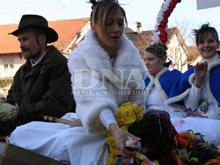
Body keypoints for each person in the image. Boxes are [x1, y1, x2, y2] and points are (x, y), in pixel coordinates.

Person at [8, 1, 177, 164]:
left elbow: (137, 101)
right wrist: (111, 127)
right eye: (108, 23)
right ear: (94, 27)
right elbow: (96, 100)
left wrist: (122, 126)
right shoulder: (80, 57)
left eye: (119, 23)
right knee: (24, 133)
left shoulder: (133, 57)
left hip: (122, 126)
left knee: (74, 144)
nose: (116, 29)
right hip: (95, 123)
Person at [0, 14, 75, 136]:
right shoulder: (22, 72)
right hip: (22, 131)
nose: (21, 45)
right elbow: (12, 101)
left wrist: (17, 112)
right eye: (19, 40)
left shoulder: (60, 65)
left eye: (25, 39)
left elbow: (56, 106)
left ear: (42, 39)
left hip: (50, 135)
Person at [166, 23, 220, 144]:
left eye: (210, 41)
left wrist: (206, 118)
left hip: (214, 121)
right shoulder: (192, 72)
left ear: (218, 44)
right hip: (196, 118)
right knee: (169, 121)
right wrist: (198, 81)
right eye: (201, 42)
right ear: (197, 46)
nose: (206, 45)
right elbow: (190, 107)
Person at [144, 43, 184, 117]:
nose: (146, 63)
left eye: (150, 59)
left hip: (172, 120)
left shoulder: (175, 77)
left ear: (162, 60)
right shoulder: (144, 80)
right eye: (145, 60)